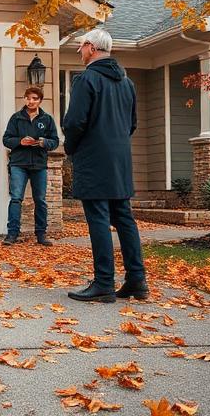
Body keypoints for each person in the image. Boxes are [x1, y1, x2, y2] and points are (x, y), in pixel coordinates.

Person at [63, 29, 148, 303]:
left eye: (80, 46)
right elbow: (132, 123)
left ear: (90, 47)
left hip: (93, 159)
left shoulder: (86, 79)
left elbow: (74, 122)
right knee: (124, 217)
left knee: (98, 218)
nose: (79, 51)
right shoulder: (128, 83)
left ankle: (103, 283)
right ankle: (137, 280)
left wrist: (71, 148)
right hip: (120, 159)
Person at [1, 86, 59, 246]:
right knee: (16, 199)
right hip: (18, 163)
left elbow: (55, 141)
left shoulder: (47, 119)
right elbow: (6, 139)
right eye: (28, 98)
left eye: (34, 98)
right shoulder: (16, 118)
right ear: (24, 99)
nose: (31, 101)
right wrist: (20, 141)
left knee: (40, 200)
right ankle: (12, 234)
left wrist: (44, 142)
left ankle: (41, 235)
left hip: (39, 165)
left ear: (40, 100)